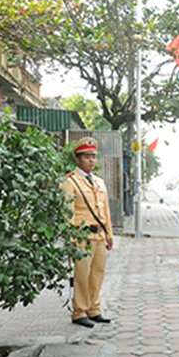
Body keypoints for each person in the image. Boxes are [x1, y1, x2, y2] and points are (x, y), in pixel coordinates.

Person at [61, 137, 113, 328]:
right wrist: (72, 239)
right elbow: (68, 213)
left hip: (99, 235)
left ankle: (94, 309)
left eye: (94, 156)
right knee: (82, 275)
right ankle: (79, 311)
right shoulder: (70, 182)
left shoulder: (99, 182)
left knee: (97, 274)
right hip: (82, 236)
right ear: (78, 159)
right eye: (87, 157)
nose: (92, 160)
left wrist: (109, 235)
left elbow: (105, 210)